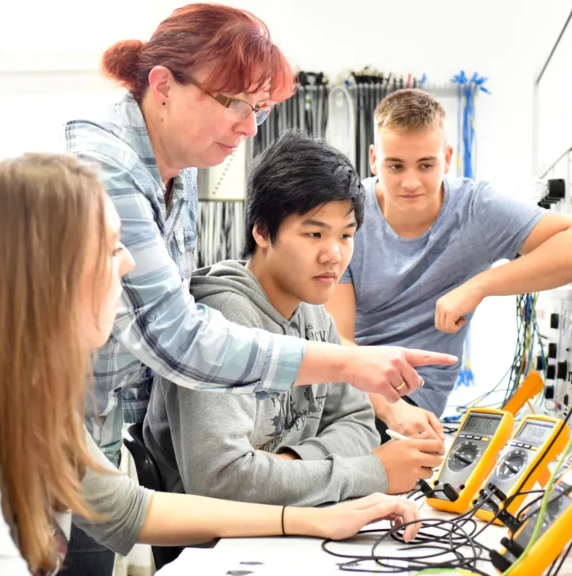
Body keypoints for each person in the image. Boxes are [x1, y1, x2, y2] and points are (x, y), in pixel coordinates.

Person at [0, 154, 423, 576]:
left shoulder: (24, 398)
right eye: (110, 249)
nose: (129, 267)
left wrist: (312, 521)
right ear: (40, 270)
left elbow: (130, 509)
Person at [63, 6, 453, 570]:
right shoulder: (107, 168)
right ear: (163, 85)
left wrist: (307, 454)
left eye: (260, 110)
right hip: (53, 447)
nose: (248, 128)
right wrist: (351, 383)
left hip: (96, 458)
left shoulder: (178, 167)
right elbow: (177, 338)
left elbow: (351, 425)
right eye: (235, 104)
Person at [144, 132, 446, 508]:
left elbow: (360, 424)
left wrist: (288, 464)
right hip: (219, 547)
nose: (334, 255)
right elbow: (221, 481)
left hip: (297, 520)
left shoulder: (314, 312)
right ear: (262, 231)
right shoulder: (221, 319)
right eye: (314, 233)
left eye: (346, 235)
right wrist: (372, 472)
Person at [325, 89, 572, 443]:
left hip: (413, 401)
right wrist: (390, 408)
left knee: (338, 460)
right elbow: (338, 342)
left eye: (426, 165)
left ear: (447, 158)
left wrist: (479, 286)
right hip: (354, 388)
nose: (410, 181)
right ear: (372, 159)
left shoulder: (475, 209)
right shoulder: (348, 217)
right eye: (395, 166)